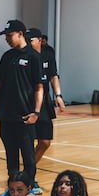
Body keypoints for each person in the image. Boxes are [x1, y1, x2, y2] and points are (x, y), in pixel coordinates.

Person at [0, 19, 43, 188]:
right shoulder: (7, 57)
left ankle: (29, 187)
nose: (6, 39)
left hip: (25, 116)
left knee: (28, 156)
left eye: (9, 35)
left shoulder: (33, 57)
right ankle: (13, 187)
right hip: (6, 116)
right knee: (11, 156)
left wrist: (36, 112)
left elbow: (39, 87)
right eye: (5, 36)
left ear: (20, 34)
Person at [28, 28, 62, 167]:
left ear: (40, 40)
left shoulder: (48, 55)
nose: (28, 43)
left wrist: (58, 95)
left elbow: (53, 76)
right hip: (29, 101)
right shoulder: (26, 57)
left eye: (31, 40)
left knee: (45, 141)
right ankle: (30, 175)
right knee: (28, 140)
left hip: (45, 102)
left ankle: (30, 168)